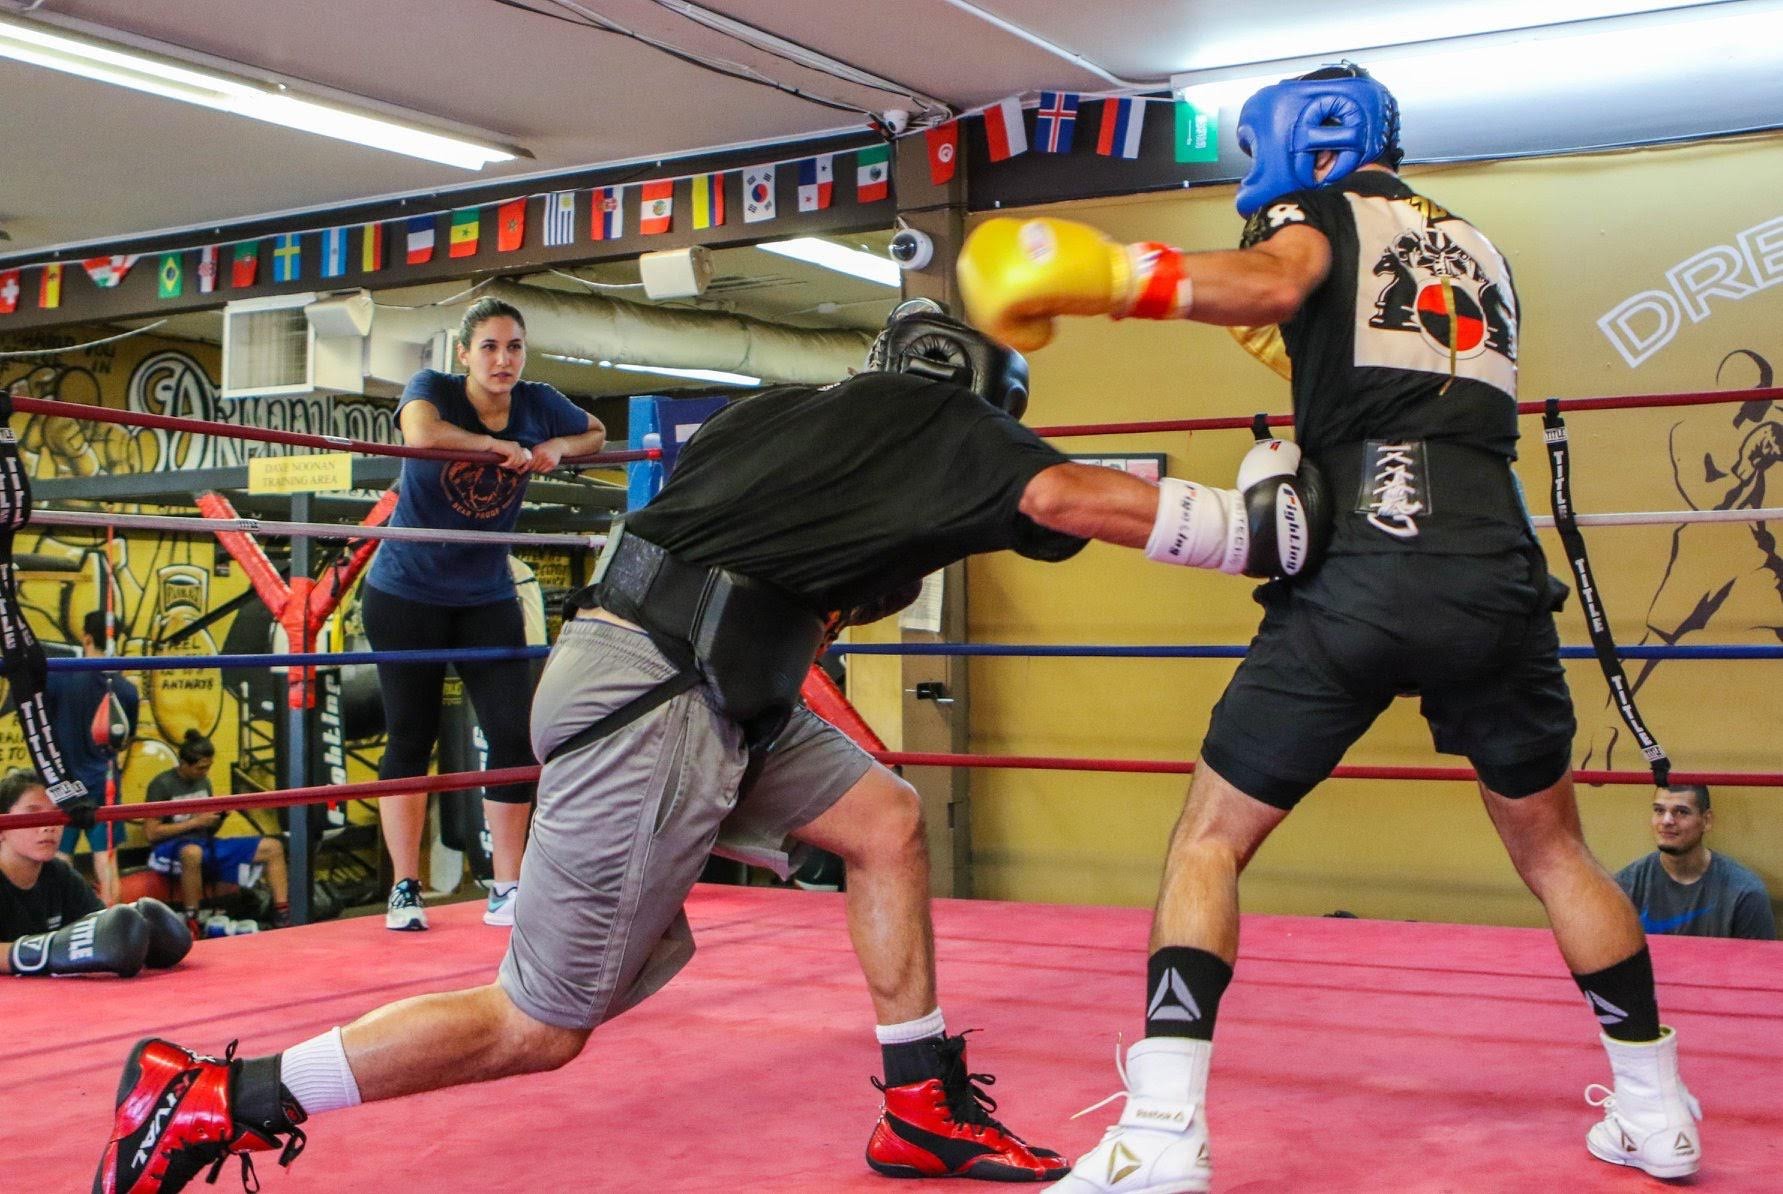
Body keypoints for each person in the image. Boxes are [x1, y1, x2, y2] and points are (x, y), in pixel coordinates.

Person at [90, 300, 1324, 1192]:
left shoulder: (778, 419)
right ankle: (216, 1096)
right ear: (979, 402)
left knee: (884, 823)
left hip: (692, 677)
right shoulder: (944, 428)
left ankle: (917, 1108)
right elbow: (1061, 499)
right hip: (667, 699)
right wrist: (1247, 524)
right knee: (542, 1022)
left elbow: (770, 557)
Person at [957, 62, 1703, 1189]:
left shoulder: (1321, 206)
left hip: (1366, 557)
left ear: (1316, 137)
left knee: (1209, 837)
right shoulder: (1479, 248)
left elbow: (1267, 283)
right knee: (1555, 850)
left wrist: (1111, 274)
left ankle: (1159, 1138)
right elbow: (1392, 361)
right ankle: (1659, 1111)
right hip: (1493, 565)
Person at [362, 297, 607, 930]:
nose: (503, 359)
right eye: (491, 347)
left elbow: (598, 433)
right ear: (465, 354)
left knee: (513, 734)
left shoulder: (538, 399)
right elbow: (420, 434)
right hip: (406, 591)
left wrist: (555, 445)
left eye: (515, 347)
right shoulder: (433, 388)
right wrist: (498, 448)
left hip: (485, 593)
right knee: (411, 736)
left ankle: (506, 885)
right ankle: (405, 888)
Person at [3, 770, 191, 977]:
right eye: (33, 814)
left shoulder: (59, 874)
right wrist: (49, 950)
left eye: (57, 813)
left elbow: (102, 928)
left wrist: (143, 935)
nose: (48, 826)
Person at [145, 731, 291, 933]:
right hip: (169, 848)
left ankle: (282, 913)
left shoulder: (204, 782)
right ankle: (192, 919)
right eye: (200, 768)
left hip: (203, 841)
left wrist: (218, 818)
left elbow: (208, 828)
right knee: (192, 852)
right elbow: (151, 833)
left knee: (272, 847)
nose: (204, 772)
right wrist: (195, 822)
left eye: (208, 767)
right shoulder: (162, 785)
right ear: (184, 764)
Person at [48, 609, 140, 907]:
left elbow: (46, 725)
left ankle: (58, 930)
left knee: (59, 859)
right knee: (106, 860)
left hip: (65, 786)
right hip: (103, 786)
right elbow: (124, 740)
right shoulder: (125, 690)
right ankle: (115, 934)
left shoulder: (59, 677)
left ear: (86, 637)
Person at [1616, 784, 1775, 940]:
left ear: (1706, 820)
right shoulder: (1625, 886)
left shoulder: (1744, 893)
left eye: (1681, 812)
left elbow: (1757, 964)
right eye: (1659, 810)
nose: (1666, 821)